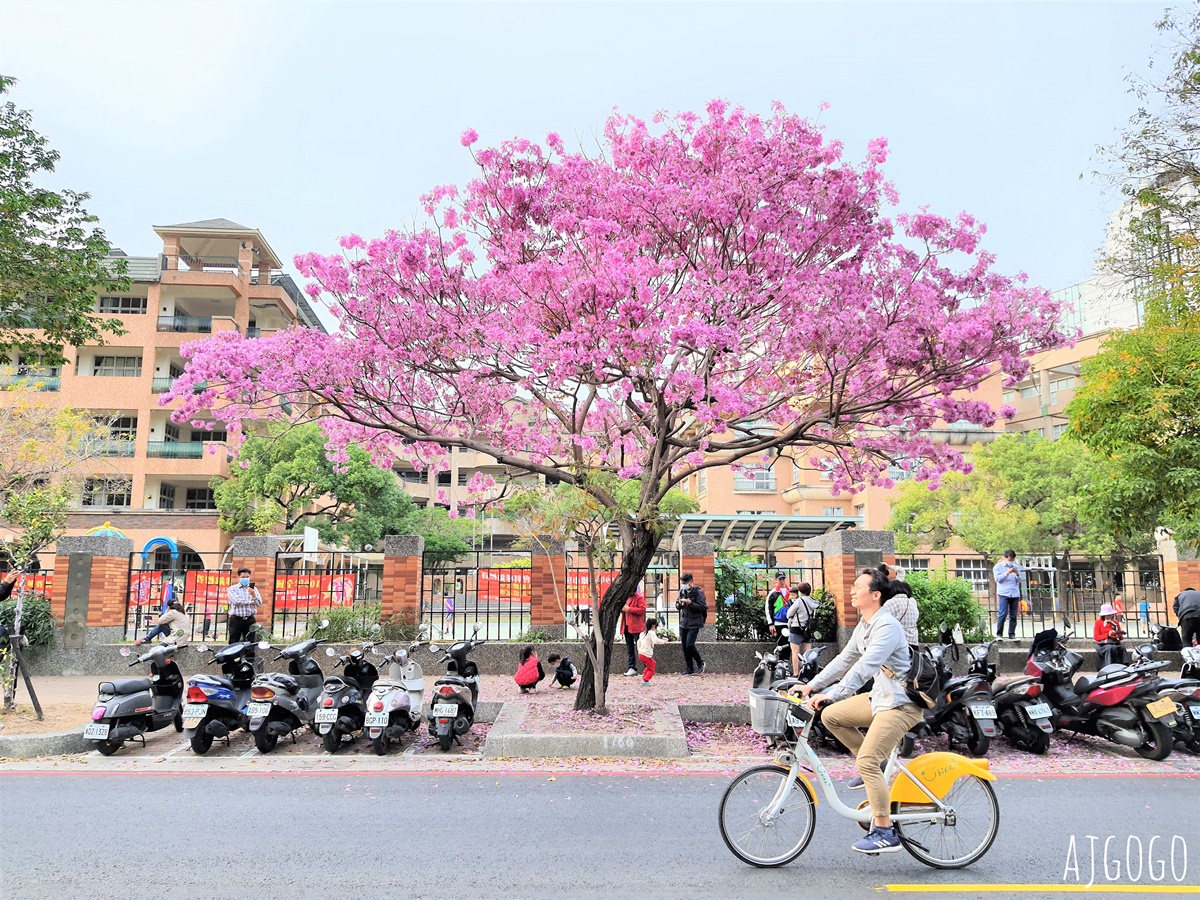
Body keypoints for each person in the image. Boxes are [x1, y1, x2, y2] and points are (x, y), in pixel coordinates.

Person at [792, 569, 923, 855]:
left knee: (865, 761)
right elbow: (844, 660)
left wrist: (833, 693)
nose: (851, 591)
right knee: (831, 716)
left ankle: (885, 831)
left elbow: (865, 667)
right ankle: (873, 768)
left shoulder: (887, 626)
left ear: (875, 595)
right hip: (879, 698)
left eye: (857, 587)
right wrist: (810, 686)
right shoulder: (864, 625)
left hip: (901, 704)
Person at [878, 563, 919, 647]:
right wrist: (890, 566)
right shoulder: (912, 601)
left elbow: (879, 619)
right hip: (913, 641)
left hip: (898, 642)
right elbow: (901, 571)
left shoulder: (890, 601)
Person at [676, 573, 707, 675]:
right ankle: (689, 668)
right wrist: (680, 604)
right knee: (684, 646)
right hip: (684, 622)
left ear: (691, 582)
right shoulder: (682, 591)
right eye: (682, 583)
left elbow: (702, 608)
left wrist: (691, 603)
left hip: (694, 622)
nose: (684, 585)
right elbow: (677, 606)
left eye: (685, 583)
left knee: (689, 645)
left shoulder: (698, 592)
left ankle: (700, 662)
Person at [785, 581, 818, 673]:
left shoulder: (799, 601)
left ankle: (796, 673)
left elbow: (789, 614)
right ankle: (810, 672)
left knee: (795, 652)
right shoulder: (813, 601)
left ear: (800, 592)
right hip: (808, 628)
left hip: (796, 628)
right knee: (808, 652)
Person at [226, 568, 263, 645]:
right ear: (238, 577)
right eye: (243, 577)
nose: (245, 579)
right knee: (234, 642)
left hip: (250, 619)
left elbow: (259, 603)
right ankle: (233, 657)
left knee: (250, 642)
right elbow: (236, 601)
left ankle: (249, 657)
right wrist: (250, 602)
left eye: (247, 577)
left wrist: (253, 595)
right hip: (236, 619)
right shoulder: (233, 589)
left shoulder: (253, 589)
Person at [992, 551, 1022, 641]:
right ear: (1005, 557)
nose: (1011, 561)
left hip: (1014, 593)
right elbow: (997, 579)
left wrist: (1017, 574)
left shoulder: (1016, 567)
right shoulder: (998, 567)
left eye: (1013, 559)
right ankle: (999, 634)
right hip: (1004, 593)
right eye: (1010, 559)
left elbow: (1019, 581)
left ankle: (1011, 633)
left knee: (1013, 615)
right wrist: (1007, 573)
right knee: (1003, 613)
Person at [619, 582, 647, 677]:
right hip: (627, 626)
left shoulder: (639, 597)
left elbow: (642, 610)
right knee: (630, 649)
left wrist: (629, 609)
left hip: (636, 627)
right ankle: (632, 667)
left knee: (641, 648)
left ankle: (647, 667)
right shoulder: (626, 598)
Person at [1094, 603, 1127, 668]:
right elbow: (1096, 637)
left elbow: (1120, 638)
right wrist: (1108, 635)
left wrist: (1119, 635)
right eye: (1108, 615)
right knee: (1110, 648)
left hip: (1113, 642)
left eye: (1111, 614)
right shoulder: (1098, 622)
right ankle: (1108, 666)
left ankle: (1124, 665)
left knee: (1122, 648)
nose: (1110, 616)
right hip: (1103, 644)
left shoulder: (1115, 622)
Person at [636, 617, 669, 684]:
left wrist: (639, 650)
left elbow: (638, 643)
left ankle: (645, 673)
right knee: (651, 670)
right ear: (654, 626)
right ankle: (645, 680)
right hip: (646, 654)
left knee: (652, 663)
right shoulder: (651, 633)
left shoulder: (642, 633)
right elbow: (655, 640)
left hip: (641, 654)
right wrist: (663, 641)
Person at [766, 572, 791, 637]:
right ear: (776, 579)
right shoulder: (773, 593)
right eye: (780, 579)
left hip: (791, 623)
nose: (782, 581)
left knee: (791, 645)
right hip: (778, 623)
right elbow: (768, 609)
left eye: (783, 579)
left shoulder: (791, 591)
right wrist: (771, 624)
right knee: (780, 644)